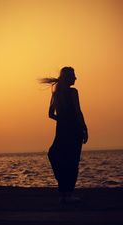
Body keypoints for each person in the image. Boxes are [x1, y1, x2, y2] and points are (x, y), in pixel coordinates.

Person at [40, 67, 88, 203]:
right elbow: (78, 112)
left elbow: (50, 114)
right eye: (73, 75)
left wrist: (61, 120)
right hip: (74, 130)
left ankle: (63, 193)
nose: (75, 78)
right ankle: (68, 193)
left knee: (57, 156)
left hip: (62, 130)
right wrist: (84, 128)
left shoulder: (56, 94)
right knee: (72, 161)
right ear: (68, 77)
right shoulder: (73, 92)